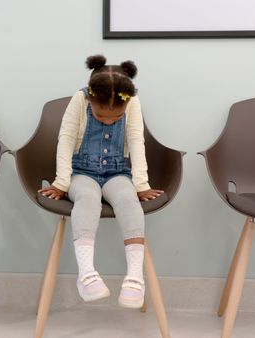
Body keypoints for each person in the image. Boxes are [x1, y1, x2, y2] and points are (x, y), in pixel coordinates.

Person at [38, 55, 163, 308]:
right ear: (92, 99)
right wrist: (62, 182)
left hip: (117, 171)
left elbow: (137, 142)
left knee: (128, 200)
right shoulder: (80, 99)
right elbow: (65, 138)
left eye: (115, 119)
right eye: (100, 116)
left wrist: (141, 185)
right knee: (88, 197)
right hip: (81, 171)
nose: (108, 121)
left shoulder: (132, 102)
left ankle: (135, 277)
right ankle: (86, 274)